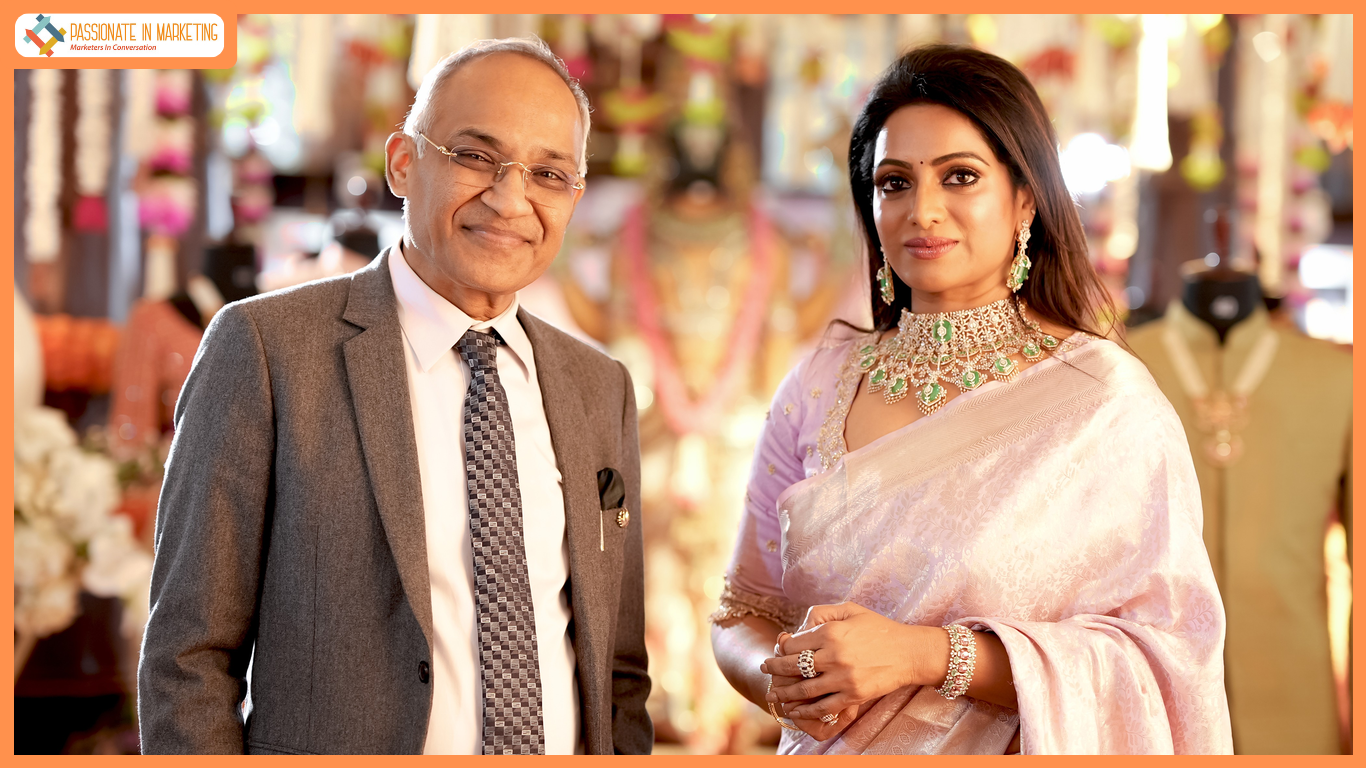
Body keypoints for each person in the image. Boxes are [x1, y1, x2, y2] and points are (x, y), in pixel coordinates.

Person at [709, 44, 1233, 755]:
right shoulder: (819, 384)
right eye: (894, 183)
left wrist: (928, 656)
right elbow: (742, 611)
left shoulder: (1105, 402)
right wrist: (785, 683)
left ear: (1025, 199)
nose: (923, 211)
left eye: (960, 176)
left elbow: (1167, 655)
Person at [138, 38, 652, 755]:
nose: (510, 199)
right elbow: (186, 661)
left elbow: (618, 671)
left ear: (574, 197)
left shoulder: (600, 387)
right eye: (475, 156)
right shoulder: (266, 350)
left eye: (547, 173)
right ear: (403, 163)